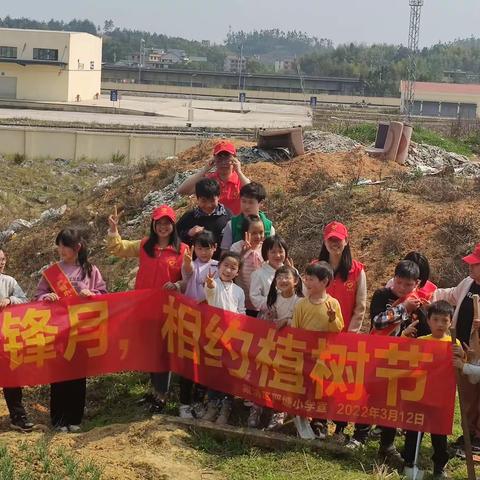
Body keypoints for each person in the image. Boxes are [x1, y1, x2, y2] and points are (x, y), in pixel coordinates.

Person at [107, 204, 188, 413]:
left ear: (173, 225)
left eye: (167, 223)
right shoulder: (144, 245)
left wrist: (178, 285)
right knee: (149, 351)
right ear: (153, 225)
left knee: (162, 352)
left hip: (168, 310)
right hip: (143, 309)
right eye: (159, 223)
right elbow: (118, 248)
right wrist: (114, 230)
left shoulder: (183, 250)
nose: (162, 227)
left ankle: (162, 395)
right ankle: (154, 391)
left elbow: (190, 278)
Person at [35, 228, 107, 432]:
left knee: (77, 374)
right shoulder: (52, 272)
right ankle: (58, 419)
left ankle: (75, 418)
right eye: (59, 245)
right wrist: (45, 298)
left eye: (65, 245)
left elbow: (103, 294)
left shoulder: (90, 270)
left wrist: (90, 293)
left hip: (81, 329)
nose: (61, 249)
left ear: (77, 247)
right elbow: (38, 295)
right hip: (58, 329)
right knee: (58, 374)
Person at [370, 259, 430, 466]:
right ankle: (363, 436)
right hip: (381, 357)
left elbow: (426, 335)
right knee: (378, 400)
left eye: (408, 285)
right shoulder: (382, 296)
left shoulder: (418, 303)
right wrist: (403, 308)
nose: (402, 288)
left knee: (397, 404)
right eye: (399, 282)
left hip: (406, 362)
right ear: (393, 279)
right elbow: (377, 321)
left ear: (417, 283)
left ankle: (388, 445)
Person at [316, 221, 368, 446]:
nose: (335, 244)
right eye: (331, 240)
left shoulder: (357, 270)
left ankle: (339, 425)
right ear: (324, 241)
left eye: (339, 240)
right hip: (319, 335)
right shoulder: (316, 266)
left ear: (346, 242)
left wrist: (351, 334)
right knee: (318, 377)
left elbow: (361, 305)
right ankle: (317, 420)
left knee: (341, 380)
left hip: (345, 335)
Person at [402, 301, 459, 479]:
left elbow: (460, 364)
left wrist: (462, 356)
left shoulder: (453, 343)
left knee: (439, 435)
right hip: (419, 396)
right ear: (428, 321)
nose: (440, 324)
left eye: (445, 320)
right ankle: (409, 463)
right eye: (436, 320)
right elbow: (402, 355)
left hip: (441, 399)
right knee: (413, 432)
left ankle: (439, 467)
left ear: (451, 322)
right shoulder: (421, 341)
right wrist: (404, 336)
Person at [433, 242, 480, 451]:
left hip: (478, 350)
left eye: (475, 264)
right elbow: (450, 294)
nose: (470, 268)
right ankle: (469, 436)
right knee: (469, 395)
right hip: (463, 349)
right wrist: (430, 293)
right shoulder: (469, 283)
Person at [247, 265, 304, 430]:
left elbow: (298, 322)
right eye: (279, 277)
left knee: (283, 378)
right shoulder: (273, 298)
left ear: (296, 281)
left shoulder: (300, 301)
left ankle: (280, 411)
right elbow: (265, 319)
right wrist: (270, 317)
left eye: (287, 277)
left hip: (289, 347)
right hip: (270, 345)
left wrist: (286, 321)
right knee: (264, 375)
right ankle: (256, 408)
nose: (283, 280)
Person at [292, 261, 344, 439]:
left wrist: (332, 319)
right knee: (305, 388)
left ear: (324, 281)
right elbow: (295, 329)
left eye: (311, 279)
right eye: (306, 278)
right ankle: (301, 418)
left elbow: (338, 329)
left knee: (322, 389)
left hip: (325, 356)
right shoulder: (301, 304)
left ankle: (319, 422)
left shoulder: (333, 304)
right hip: (305, 356)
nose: (306, 282)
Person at [178, 231, 218, 419]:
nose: (203, 252)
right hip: (189, 319)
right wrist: (187, 261)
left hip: (209, 321)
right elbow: (187, 275)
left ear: (214, 248)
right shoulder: (191, 265)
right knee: (188, 360)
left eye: (207, 248)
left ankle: (199, 400)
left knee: (205, 361)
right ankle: (184, 403)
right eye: (199, 248)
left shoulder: (218, 266)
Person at [203, 251, 245, 425]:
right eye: (225, 266)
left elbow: (242, 312)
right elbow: (210, 294)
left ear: (237, 272)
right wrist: (210, 284)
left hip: (232, 339)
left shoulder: (239, 291)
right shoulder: (214, 284)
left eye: (233, 267)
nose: (228, 270)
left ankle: (226, 407)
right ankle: (212, 405)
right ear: (219, 267)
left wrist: (240, 327)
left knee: (230, 373)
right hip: (214, 336)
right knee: (214, 371)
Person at [0, 248, 34, 432]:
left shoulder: (9, 281)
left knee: (11, 377)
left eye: (3, 259)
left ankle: (18, 416)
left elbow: (25, 300)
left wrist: (11, 300)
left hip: (6, 338)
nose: (1, 262)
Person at [176, 141, 250, 215]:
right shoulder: (209, 180)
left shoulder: (240, 179)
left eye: (227, 158)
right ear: (214, 160)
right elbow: (182, 190)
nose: (223, 163)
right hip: (213, 223)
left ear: (234, 159)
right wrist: (204, 170)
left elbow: (253, 193)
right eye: (219, 158)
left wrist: (239, 172)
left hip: (235, 224)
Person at [176, 178, 231, 260]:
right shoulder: (189, 217)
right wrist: (188, 233)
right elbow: (174, 237)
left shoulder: (227, 215)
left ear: (219, 197)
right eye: (204, 201)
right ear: (197, 199)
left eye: (212, 200)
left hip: (221, 266)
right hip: (195, 267)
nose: (208, 205)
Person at [220, 182, 274, 251]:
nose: (246, 206)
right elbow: (225, 253)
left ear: (261, 203)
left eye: (251, 202)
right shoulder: (232, 225)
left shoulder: (269, 227)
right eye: (243, 201)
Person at [230, 215, 265, 317]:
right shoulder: (236, 247)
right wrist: (242, 253)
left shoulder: (265, 248)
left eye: (261, 232)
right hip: (242, 301)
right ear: (245, 233)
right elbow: (231, 269)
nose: (258, 236)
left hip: (262, 301)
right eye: (254, 233)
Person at [249, 235, 290, 315]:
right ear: (266, 253)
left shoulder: (291, 272)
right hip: (268, 315)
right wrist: (273, 303)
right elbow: (254, 297)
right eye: (273, 252)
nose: (277, 255)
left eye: (281, 251)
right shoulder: (258, 274)